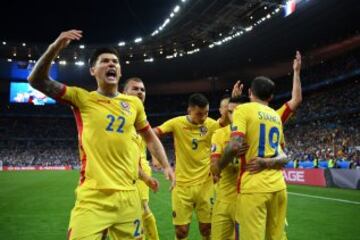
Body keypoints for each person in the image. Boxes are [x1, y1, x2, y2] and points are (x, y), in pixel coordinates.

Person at [27, 29, 174, 240]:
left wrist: (167, 165)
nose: (111, 64)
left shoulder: (133, 104)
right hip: (93, 198)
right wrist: (56, 46)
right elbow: (36, 80)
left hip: (128, 197)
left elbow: (149, 136)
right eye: (105, 61)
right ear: (92, 70)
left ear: (120, 72)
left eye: (115, 61)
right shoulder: (81, 98)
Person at [216, 76, 289, 240]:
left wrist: (218, 167)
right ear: (270, 97)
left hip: (254, 188)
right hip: (279, 188)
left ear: (250, 92)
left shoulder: (243, 110)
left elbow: (235, 145)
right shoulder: (275, 117)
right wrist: (267, 162)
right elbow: (284, 156)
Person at [154, 93, 219, 240]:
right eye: (199, 114)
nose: (203, 117)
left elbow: (227, 127)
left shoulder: (211, 124)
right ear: (189, 110)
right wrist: (155, 158)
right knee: (181, 231)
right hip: (182, 185)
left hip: (205, 184)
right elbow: (152, 133)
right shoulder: (177, 123)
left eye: (206, 113)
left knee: (206, 228)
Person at [123, 77, 164, 240]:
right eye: (135, 89)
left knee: (141, 210)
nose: (140, 92)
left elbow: (148, 141)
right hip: (129, 173)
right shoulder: (122, 116)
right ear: (124, 93)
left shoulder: (140, 117)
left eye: (143, 89)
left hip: (138, 173)